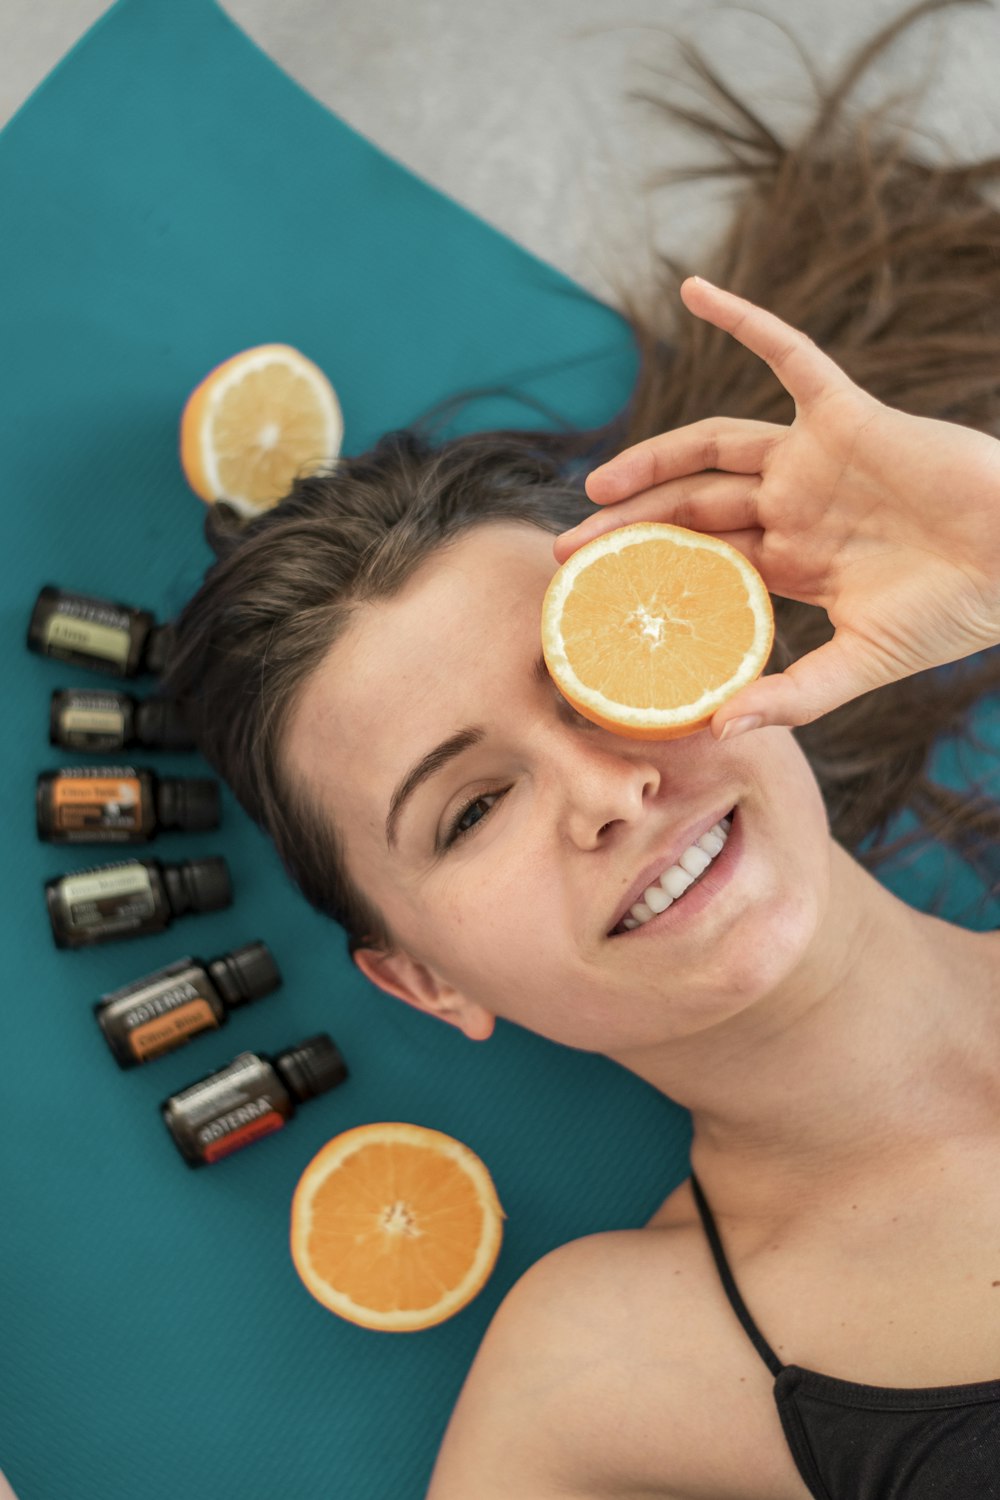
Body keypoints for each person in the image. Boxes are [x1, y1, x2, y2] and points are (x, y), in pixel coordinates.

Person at [163, 4, 1000, 1495]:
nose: (609, 793)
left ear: (735, 631)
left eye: (599, 681)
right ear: (423, 979)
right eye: (473, 807)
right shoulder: (607, 1374)